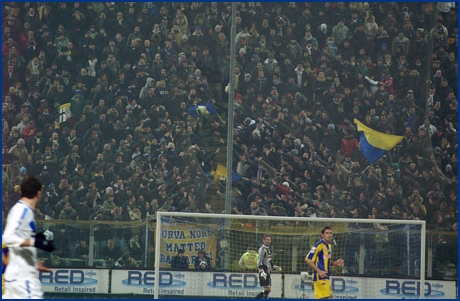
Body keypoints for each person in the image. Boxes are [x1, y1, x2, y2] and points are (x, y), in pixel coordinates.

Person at [2, 176, 54, 299]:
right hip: (24, 282)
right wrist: (35, 242)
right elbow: (9, 238)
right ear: (39, 193)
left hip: (17, 278)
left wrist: (32, 264)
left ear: (21, 192)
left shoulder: (20, 210)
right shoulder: (23, 211)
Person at [305, 226, 344, 299]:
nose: (329, 235)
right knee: (329, 297)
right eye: (327, 233)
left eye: (331, 233)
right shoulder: (318, 245)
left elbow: (325, 261)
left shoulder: (329, 246)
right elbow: (308, 259)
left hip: (325, 276)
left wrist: (335, 263)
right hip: (319, 277)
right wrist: (319, 271)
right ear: (322, 235)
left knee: (326, 298)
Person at [255, 234, 282, 299]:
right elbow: (259, 260)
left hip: (268, 270)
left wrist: (274, 267)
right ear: (263, 240)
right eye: (266, 239)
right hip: (264, 270)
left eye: (269, 240)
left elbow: (268, 261)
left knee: (267, 289)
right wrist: (261, 270)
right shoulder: (262, 249)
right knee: (267, 289)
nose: (268, 241)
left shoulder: (269, 249)